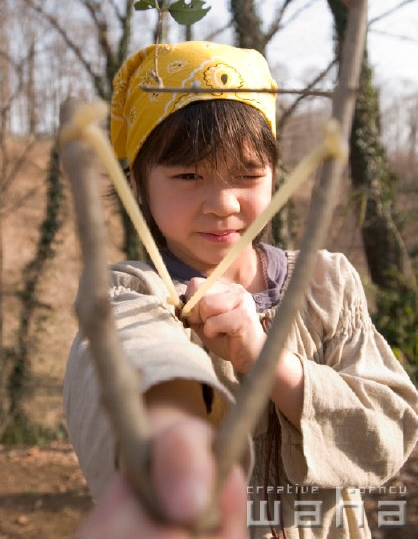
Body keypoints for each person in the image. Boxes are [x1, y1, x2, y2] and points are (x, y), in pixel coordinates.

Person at [64, 41, 418, 539]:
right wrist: (172, 437)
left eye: (248, 175)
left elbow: (389, 432)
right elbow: (128, 356)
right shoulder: (132, 293)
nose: (223, 203)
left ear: (275, 175)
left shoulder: (326, 283)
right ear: (138, 185)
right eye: (188, 175)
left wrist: (270, 361)